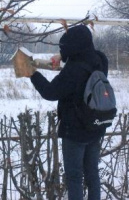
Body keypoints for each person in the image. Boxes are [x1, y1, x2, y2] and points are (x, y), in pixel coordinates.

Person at [25, 25, 108, 200]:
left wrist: (33, 74)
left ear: (72, 46)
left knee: (75, 177)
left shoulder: (73, 69)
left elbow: (50, 92)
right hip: (96, 125)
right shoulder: (100, 59)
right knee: (92, 173)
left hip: (76, 130)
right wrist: (63, 58)